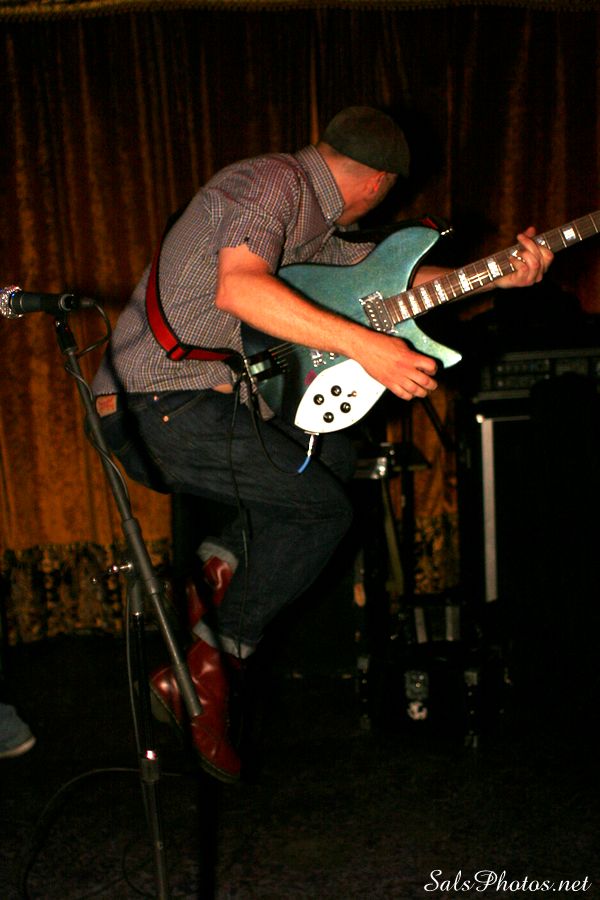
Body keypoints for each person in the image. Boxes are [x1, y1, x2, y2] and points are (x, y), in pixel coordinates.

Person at [92, 106, 553, 783]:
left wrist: (496, 273)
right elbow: (239, 288)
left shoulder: (315, 227)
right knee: (323, 511)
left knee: (330, 453)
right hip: (156, 404)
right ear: (380, 183)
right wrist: (370, 349)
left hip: (203, 406)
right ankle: (209, 661)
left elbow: (395, 289)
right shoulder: (271, 185)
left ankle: (219, 568)